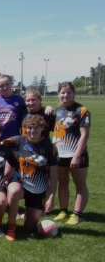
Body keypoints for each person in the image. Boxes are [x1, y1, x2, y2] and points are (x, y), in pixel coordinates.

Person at [1, 115, 58, 241]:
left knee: (29, 228)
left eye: (36, 128)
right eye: (29, 128)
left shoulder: (50, 147)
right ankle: (11, 228)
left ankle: (25, 216)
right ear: (25, 128)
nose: (32, 131)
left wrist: (52, 197)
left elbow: (54, 175)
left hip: (38, 188)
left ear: (43, 128)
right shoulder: (18, 140)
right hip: (19, 182)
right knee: (14, 191)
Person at [52, 82, 90, 225]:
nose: (65, 95)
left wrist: (77, 155)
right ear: (58, 94)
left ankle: (77, 214)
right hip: (60, 154)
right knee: (63, 183)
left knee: (80, 184)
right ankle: (63, 211)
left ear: (73, 93)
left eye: (68, 92)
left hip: (77, 154)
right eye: (62, 92)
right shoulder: (58, 110)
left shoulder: (81, 110)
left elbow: (84, 135)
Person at [0, 75, 26, 140]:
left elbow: (33, 109)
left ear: (11, 84)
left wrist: (47, 108)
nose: (5, 87)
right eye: (1, 86)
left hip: (14, 137)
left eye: (7, 84)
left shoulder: (20, 99)